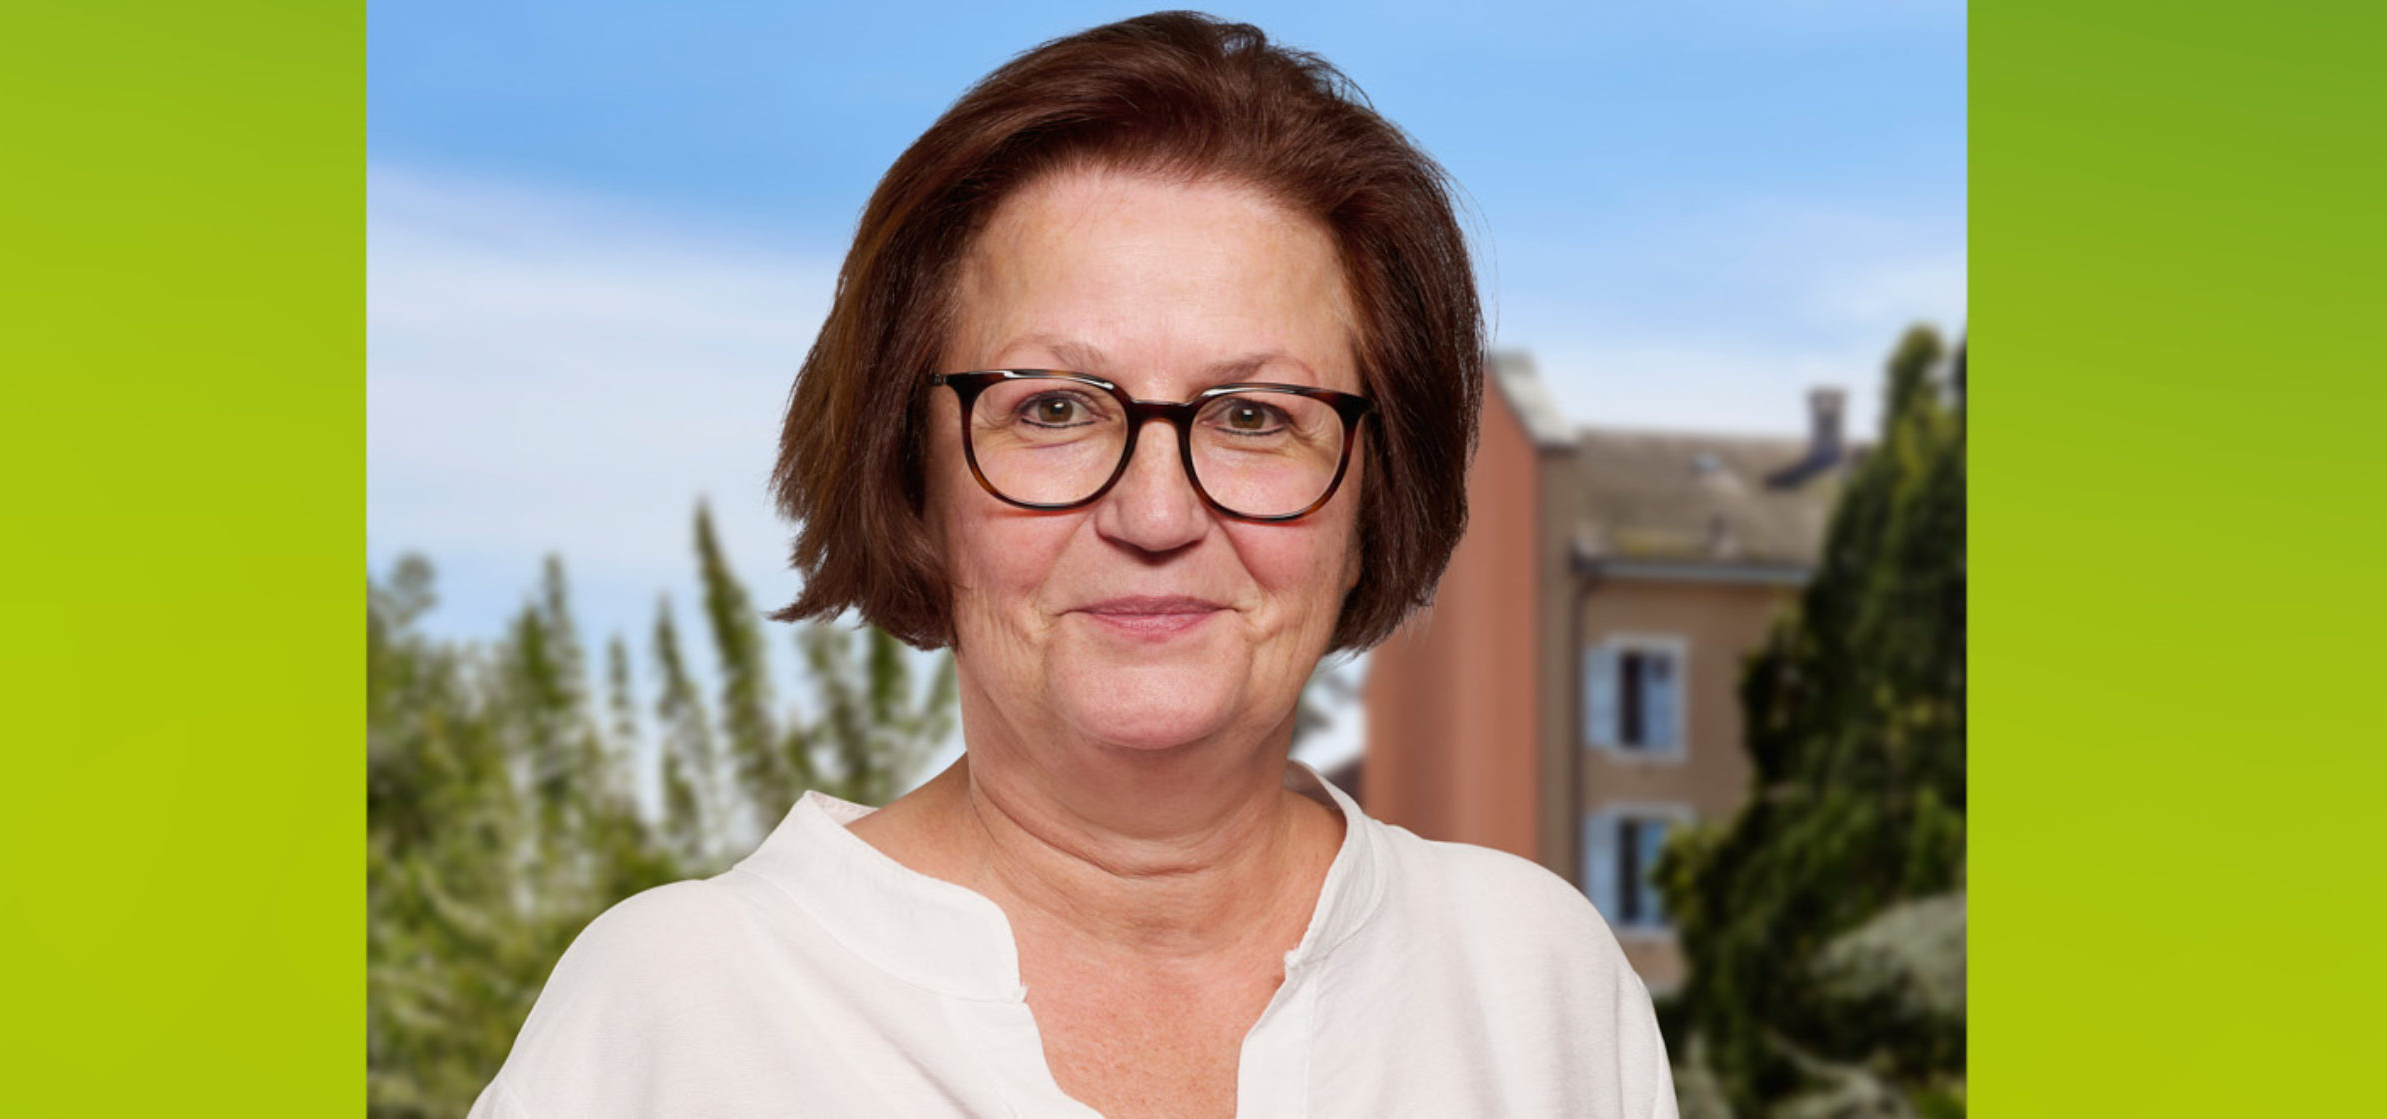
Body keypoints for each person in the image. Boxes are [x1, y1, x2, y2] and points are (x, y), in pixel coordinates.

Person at [470, 12, 1675, 1118]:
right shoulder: (675, 1011)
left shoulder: (1533, 985)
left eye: (1254, 416)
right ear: (911, 473)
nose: (1155, 513)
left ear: (1374, 491)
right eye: (1051, 408)